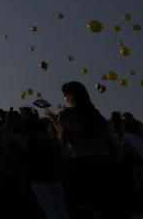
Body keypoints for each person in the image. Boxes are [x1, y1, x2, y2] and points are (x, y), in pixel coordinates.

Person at [46, 81, 125, 218]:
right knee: (108, 207)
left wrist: (56, 121)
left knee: (83, 208)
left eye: (66, 95)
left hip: (82, 164)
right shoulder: (96, 115)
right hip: (105, 163)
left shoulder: (68, 115)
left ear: (71, 95)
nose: (65, 98)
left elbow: (65, 138)